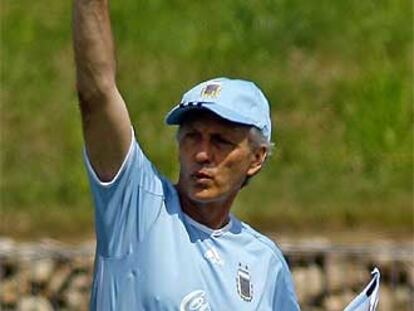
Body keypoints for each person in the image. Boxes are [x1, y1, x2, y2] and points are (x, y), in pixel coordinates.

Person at [73, 1, 300, 310]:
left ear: (257, 158)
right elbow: (96, 94)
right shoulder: (137, 206)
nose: (202, 153)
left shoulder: (265, 262)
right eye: (192, 136)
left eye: (220, 141)